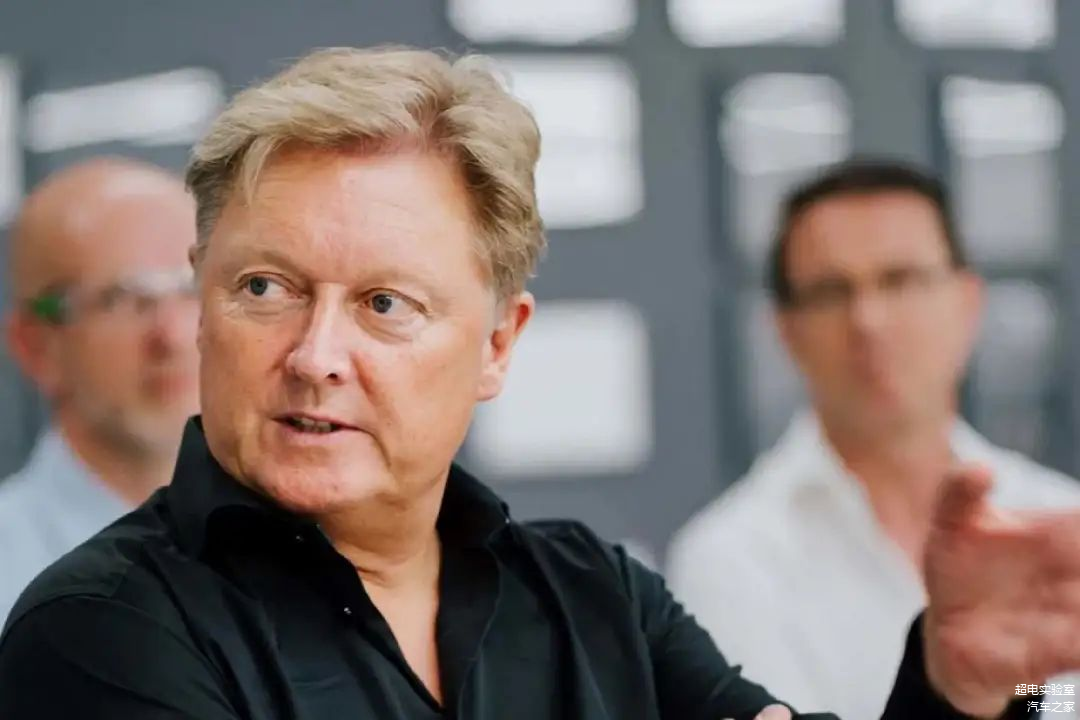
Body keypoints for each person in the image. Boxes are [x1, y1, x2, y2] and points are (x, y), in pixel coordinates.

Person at [0, 47, 1077, 720]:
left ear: (497, 347)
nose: (316, 353)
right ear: (202, 301)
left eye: (386, 303)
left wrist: (962, 696)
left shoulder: (594, 597)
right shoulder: (100, 631)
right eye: (265, 287)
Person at [667, 160, 1080, 719]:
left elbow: (1067, 699)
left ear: (967, 302)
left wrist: (1014, 696)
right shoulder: (731, 559)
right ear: (786, 329)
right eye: (831, 291)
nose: (869, 320)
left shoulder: (1054, 515)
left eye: (901, 280)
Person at [0, 157, 200, 621]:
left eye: (193, 288)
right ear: (36, 347)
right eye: (124, 298)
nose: (173, 336)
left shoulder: (311, 539)